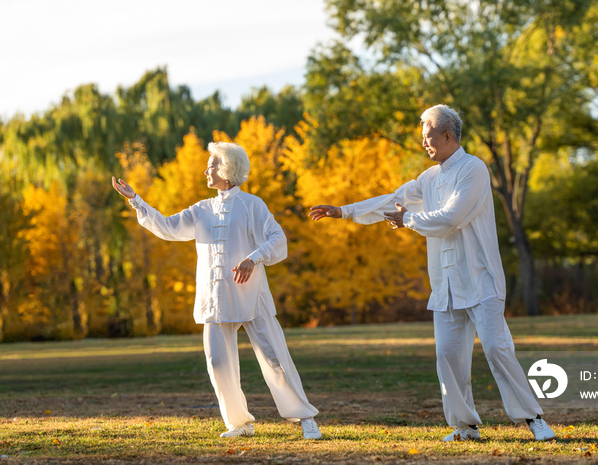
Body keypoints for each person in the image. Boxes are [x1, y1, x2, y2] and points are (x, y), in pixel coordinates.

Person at [309, 104, 555, 442]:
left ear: (447, 135)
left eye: (428, 137)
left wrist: (407, 220)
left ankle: (533, 418)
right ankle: (466, 426)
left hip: (480, 279)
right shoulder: (428, 179)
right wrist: (344, 211)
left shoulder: (474, 170)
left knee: (498, 350)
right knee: (447, 356)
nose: (424, 143)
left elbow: (451, 217)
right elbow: (393, 200)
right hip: (446, 285)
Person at [112, 142, 322, 440]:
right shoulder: (202, 209)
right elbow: (169, 227)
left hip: (252, 296)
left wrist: (254, 257)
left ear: (226, 169)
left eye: (211, 165)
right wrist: (136, 201)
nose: (205, 170)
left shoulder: (252, 204)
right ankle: (239, 423)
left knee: (275, 360)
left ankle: (305, 419)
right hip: (215, 298)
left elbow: (278, 238)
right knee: (217, 363)